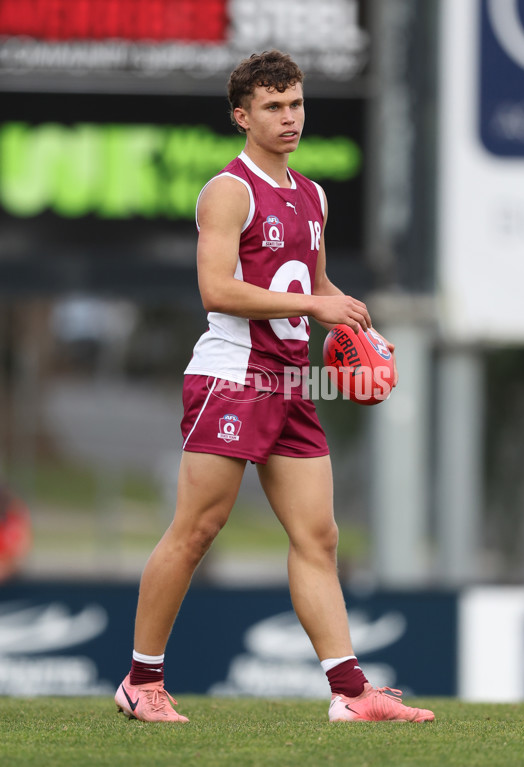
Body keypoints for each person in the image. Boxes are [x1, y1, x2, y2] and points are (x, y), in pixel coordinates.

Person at [115, 50, 434, 725]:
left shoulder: (312, 194)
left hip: (290, 379)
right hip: (232, 375)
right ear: (242, 116)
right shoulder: (228, 190)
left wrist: (357, 324)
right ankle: (141, 681)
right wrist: (318, 309)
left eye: (295, 104)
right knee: (198, 527)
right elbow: (215, 288)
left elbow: (314, 289)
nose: (289, 118)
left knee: (318, 536)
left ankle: (351, 693)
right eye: (272, 107)